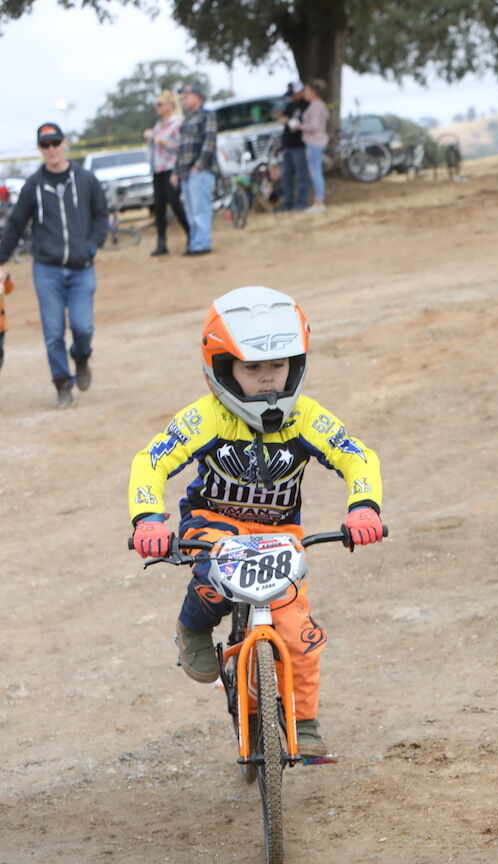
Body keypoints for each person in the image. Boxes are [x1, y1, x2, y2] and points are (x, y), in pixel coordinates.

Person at [127, 285, 385, 758]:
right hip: (214, 523)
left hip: (279, 536)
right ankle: (193, 626)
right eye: (252, 368)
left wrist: (363, 507)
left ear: (296, 364)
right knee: (211, 574)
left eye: (277, 365)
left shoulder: (306, 417)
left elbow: (357, 456)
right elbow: (151, 461)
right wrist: (148, 520)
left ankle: (302, 721)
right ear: (224, 367)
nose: (267, 379)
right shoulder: (206, 418)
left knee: (299, 635)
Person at [0, 122, 108, 407]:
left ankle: (82, 357)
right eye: (45, 145)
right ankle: (62, 384)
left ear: (64, 144)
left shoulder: (86, 180)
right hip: (47, 270)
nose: (51, 149)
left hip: (81, 267)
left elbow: (101, 215)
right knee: (52, 332)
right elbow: (15, 225)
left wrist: (91, 245)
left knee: (83, 327)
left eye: (55, 143)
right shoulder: (33, 186)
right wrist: (1, 258)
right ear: (39, 148)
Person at [144, 89, 190, 256]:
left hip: (171, 169)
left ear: (170, 105)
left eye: (160, 104)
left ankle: (191, 235)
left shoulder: (178, 123)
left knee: (175, 202)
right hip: (157, 169)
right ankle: (161, 243)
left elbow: (180, 147)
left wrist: (160, 140)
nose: (157, 107)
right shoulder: (158, 125)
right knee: (159, 206)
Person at [176, 83, 219, 256]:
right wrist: (176, 171)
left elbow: (209, 143)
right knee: (190, 210)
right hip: (186, 173)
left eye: (186, 96)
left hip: (200, 171)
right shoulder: (186, 119)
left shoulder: (207, 116)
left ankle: (202, 244)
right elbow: (181, 149)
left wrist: (198, 166)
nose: (183, 99)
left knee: (200, 209)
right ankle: (194, 243)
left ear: (197, 97)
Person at [275, 81, 309, 212]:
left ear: (300, 92)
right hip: (287, 146)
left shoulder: (306, 106)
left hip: (300, 146)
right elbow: (284, 119)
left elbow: (298, 124)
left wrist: (287, 120)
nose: (291, 97)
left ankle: (302, 202)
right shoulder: (290, 106)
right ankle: (287, 202)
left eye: (293, 94)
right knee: (286, 175)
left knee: (301, 175)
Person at [300, 79, 330, 213]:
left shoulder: (316, 106)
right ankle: (318, 201)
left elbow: (314, 126)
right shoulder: (318, 105)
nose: (304, 93)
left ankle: (319, 201)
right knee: (315, 171)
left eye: (306, 90)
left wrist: (298, 126)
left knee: (315, 171)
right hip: (316, 141)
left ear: (313, 92)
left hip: (315, 142)